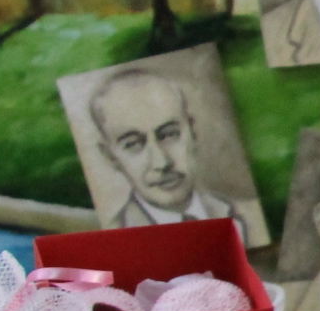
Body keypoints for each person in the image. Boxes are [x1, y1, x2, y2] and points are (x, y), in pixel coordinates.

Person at [89, 69, 264, 239]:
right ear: (110, 156)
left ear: (192, 131)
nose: (161, 162)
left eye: (169, 134)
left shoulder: (256, 217)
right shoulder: (110, 241)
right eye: (133, 144)